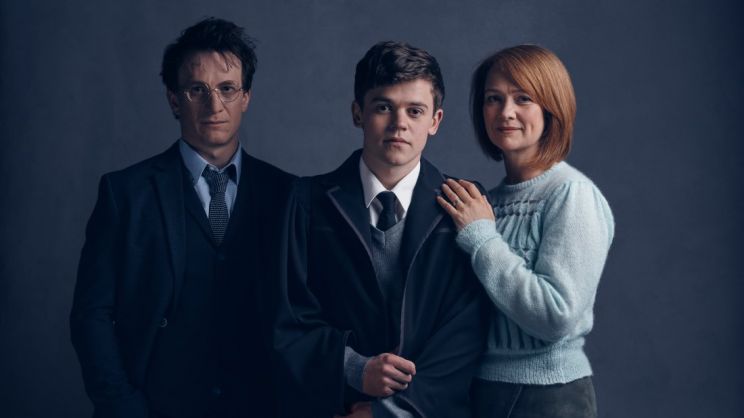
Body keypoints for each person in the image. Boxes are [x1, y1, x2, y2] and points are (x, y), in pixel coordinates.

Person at [70, 18, 295, 418]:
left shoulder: (288, 194)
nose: (214, 105)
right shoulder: (125, 193)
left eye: (227, 89)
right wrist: (123, 407)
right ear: (174, 100)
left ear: (246, 97)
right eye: (197, 90)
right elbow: (92, 315)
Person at [272, 41, 486, 418]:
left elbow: (466, 331)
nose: (399, 123)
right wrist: (355, 369)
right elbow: (287, 317)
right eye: (383, 107)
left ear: (435, 121)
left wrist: (390, 411)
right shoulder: (306, 201)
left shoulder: (465, 204)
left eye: (414, 110)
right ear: (358, 113)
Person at [436, 45, 615, 418]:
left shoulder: (571, 194)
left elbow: (556, 316)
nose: (506, 112)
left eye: (523, 98)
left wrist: (482, 237)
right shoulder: (487, 202)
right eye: (493, 99)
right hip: (481, 392)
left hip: (550, 396)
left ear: (551, 107)